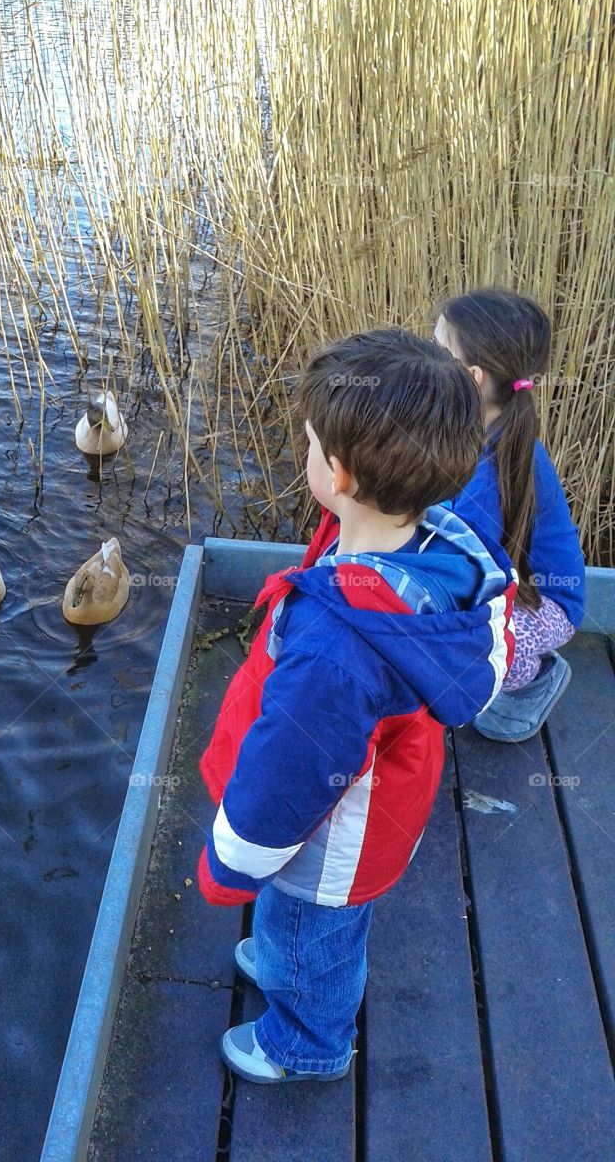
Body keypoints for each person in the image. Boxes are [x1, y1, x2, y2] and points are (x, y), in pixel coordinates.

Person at [197, 328, 517, 1084]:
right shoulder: (433, 548)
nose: (304, 453)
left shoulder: (338, 651)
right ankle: (287, 955)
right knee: (314, 927)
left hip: (331, 834)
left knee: (315, 931)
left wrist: (232, 859)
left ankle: (309, 1043)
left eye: (309, 443)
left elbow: (292, 773)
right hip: (382, 802)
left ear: (339, 474)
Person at [433, 288, 585, 741]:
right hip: (501, 578)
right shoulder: (467, 424)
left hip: (546, 600)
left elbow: (460, 573)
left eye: (436, 351)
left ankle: (536, 676)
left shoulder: (496, 472)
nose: (425, 360)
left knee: (463, 654)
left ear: (472, 377)